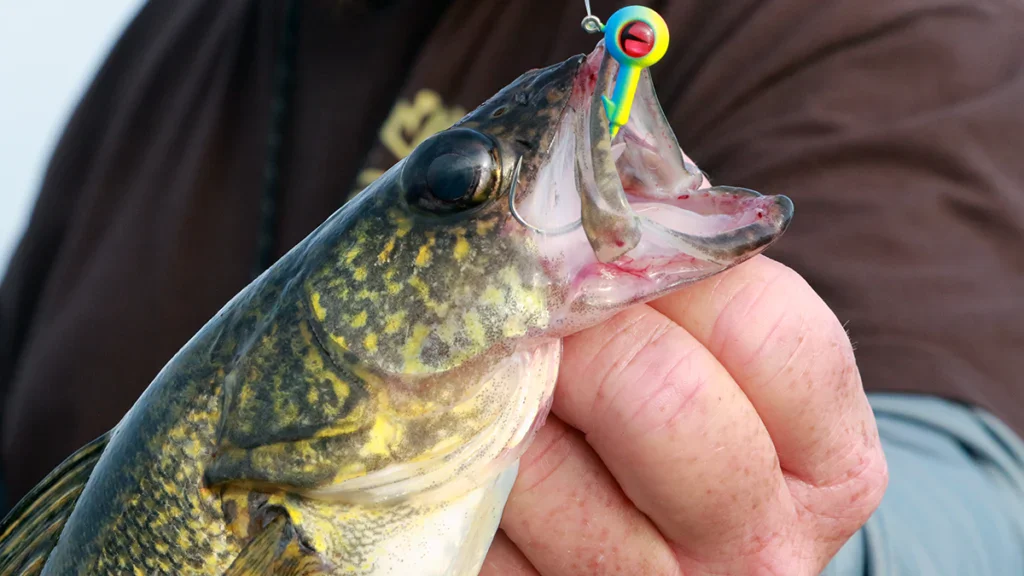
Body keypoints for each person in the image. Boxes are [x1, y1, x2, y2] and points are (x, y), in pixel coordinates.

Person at [2, 0, 1022, 573]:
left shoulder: (855, 19)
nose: (466, 193)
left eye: (454, 189)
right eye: (460, 189)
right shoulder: (162, 55)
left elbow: (980, 494)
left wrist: (817, 550)